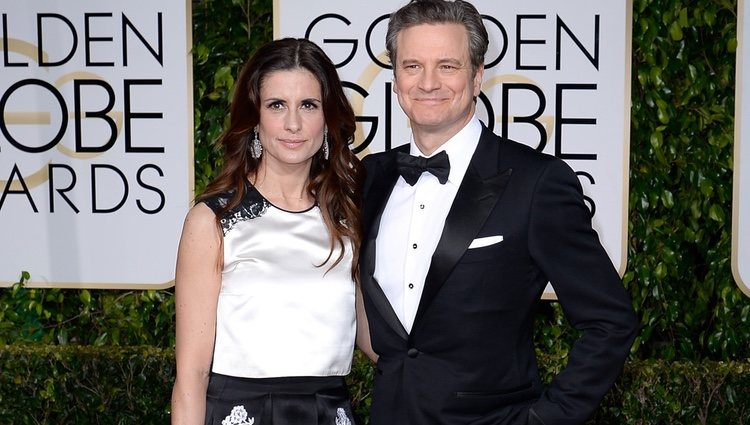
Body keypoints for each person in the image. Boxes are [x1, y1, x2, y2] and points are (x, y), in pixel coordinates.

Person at [359, 1, 639, 424]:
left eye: (448, 66)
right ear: (396, 80)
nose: (428, 82)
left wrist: (547, 419)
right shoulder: (369, 178)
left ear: (476, 76)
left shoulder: (536, 182)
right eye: (412, 65)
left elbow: (611, 322)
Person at [171, 37, 371, 425]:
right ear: (255, 117)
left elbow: (374, 340)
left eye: (308, 106)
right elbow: (191, 377)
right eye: (276, 105)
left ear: (327, 118)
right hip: (241, 414)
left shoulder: (348, 216)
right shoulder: (214, 220)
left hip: (329, 414)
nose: (293, 124)